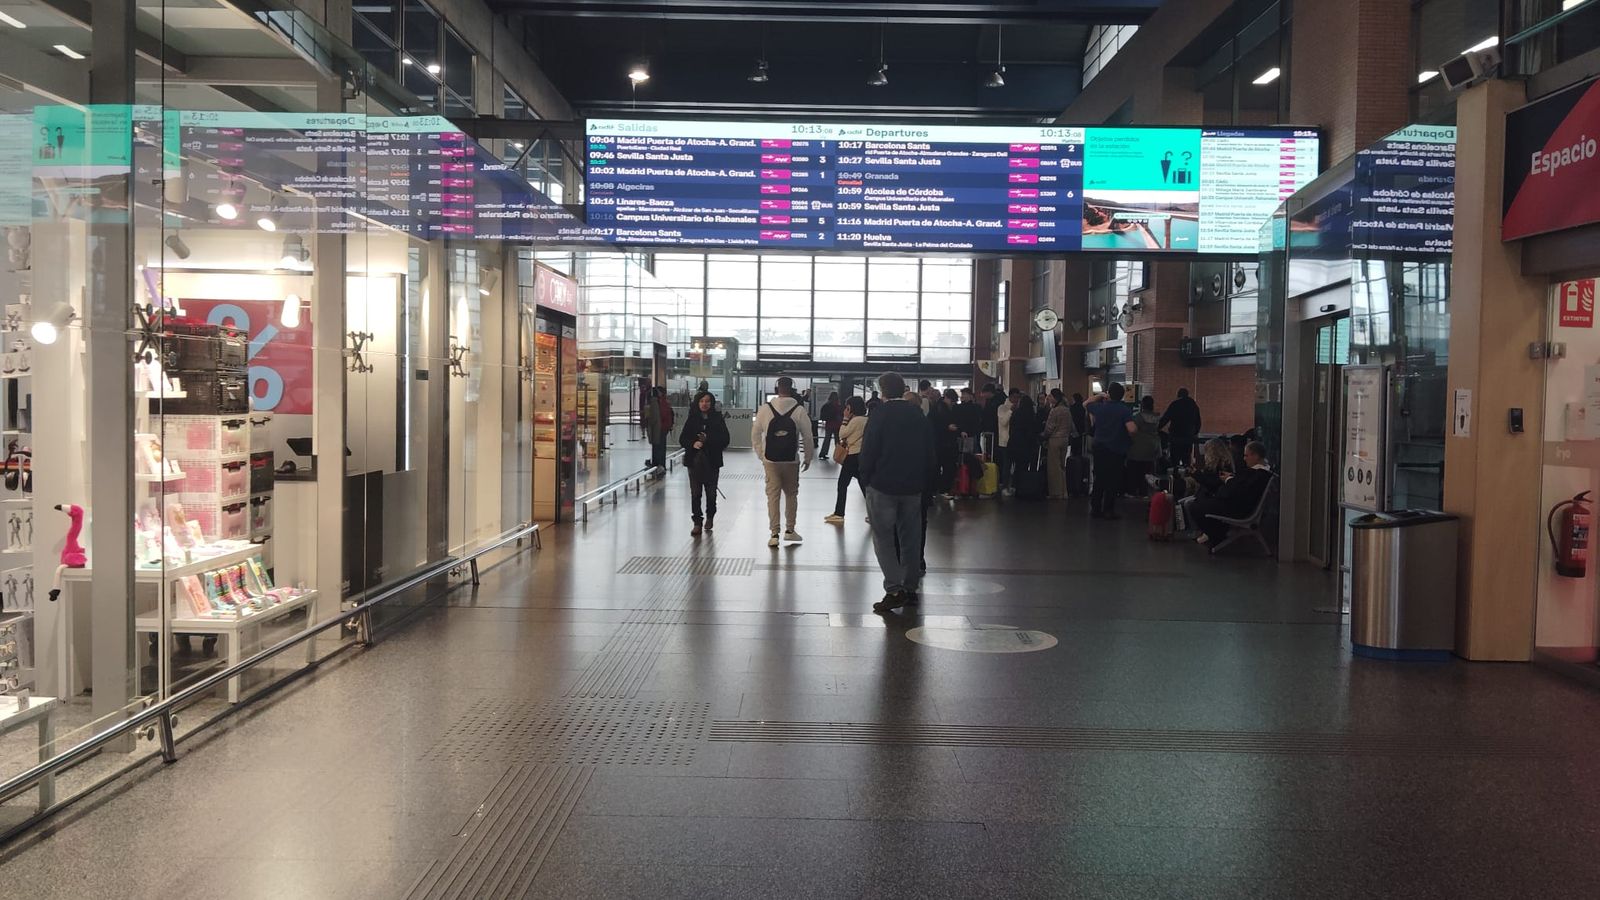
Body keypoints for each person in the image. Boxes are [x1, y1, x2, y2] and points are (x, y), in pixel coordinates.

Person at [860, 372, 937, 613]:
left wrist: (867, 481)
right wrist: (928, 485)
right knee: (910, 539)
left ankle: (894, 589)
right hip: (913, 486)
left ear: (882, 390)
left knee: (883, 538)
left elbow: (869, 450)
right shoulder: (918, 414)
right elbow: (929, 451)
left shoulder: (880, 414)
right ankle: (911, 587)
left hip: (883, 485)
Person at [752, 376, 815, 547]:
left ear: (776, 388)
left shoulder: (765, 409)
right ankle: (790, 530)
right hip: (791, 460)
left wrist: (761, 453)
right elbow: (808, 437)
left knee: (773, 496)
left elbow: (755, 433)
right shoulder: (799, 410)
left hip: (770, 460)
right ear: (792, 389)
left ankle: (774, 533)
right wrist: (808, 458)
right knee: (791, 495)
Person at [1189, 440, 1273, 546]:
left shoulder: (1257, 473)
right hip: (1235, 505)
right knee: (1199, 503)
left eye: (1246, 455)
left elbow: (1240, 491)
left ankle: (1217, 535)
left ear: (1255, 456)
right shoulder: (1260, 473)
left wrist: (1229, 479)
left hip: (1236, 508)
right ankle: (1216, 534)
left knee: (1195, 507)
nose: (1244, 459)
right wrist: (1231, 478)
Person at [680, 391, 729, 537]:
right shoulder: (692, 419)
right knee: (696, 493)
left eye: (707, 401)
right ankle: (697, 522)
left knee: (711, 493)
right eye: (701, 401)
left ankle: (710, 516)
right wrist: (692, 443)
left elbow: (725, 440)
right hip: (694, 462)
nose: (704, 404)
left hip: (712, 462)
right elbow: (683, 439)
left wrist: (709, 440)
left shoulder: (717, 419)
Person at [1086, 383, 1137, 519]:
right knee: (1112, 480)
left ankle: (1095, 509)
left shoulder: (1100, 408)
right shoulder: (1124, 410)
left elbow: (1086, 403)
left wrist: (1099, 396)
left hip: (1099, 448)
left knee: (1099, 478)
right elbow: (1131, 429)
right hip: (1116, 449)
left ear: (1109, 394)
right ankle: (1108, 510)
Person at [825, 396, 869, 524]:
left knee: (842, 484)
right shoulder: (867, 419)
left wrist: (845, 419)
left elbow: (842, 434)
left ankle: (839, 513)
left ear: (851, 408)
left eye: (847, 407)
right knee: (863, 484)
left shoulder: (855, 421)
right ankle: (873, 513)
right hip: (861, 455)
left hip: (852, 455)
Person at [1043, 389, 1078, 499]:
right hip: (1065, 440)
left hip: (1055, 440)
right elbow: (1072, 426)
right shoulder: (1067, 410)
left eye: (1050, 396)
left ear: (1054, 397)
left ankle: (1056, 493)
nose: (1048, 397)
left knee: (1054, 467)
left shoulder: (1055, 410)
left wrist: (1044, 436)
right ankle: (1064, 492)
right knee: (1062, 466)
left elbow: (1049, 428)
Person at [1126, 395, 1163, 497]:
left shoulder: (1138, 417)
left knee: (1134, 471)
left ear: (1142, 405)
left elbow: (1131, 430)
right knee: (1148, 473)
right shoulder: (1157, 417)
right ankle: (1145, 492)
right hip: (1153, 447)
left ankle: (1132, 491)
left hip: (1137, 448)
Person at [1160, 387, 1203, 469]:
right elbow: (1198, 422)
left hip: (1176, 437)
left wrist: (1157, 429)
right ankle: (1186, 477)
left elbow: (1165, 418)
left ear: (1178, 395)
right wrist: (1194, 433)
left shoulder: (1175, 404)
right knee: (1186, 460)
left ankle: (1175, 477)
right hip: (1188, 437)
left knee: (1174, 461)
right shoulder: (1194, 406)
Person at [1006, 390, 1039, 493]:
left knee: (1014, 466)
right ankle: (1022, 486)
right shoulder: (1032, 415)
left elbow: (1011, 427)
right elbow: (1033, 430)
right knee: (1023, 466)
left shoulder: (1016, 413)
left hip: (1015, 443)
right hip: (1027, 444)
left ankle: (1014, 486)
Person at [641, 385, 673, 469]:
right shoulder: (664, 401)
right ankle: (659, 464)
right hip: (663, 427)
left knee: (658, 446)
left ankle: (658, 464)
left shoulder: (656, 401)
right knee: (660, 446)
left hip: (659, 427)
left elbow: (656, 417)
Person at [995, 388, 1013, 491]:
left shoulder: (1020, 407)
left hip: (1015, 440)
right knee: (1006, 464)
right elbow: (1003, 422)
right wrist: (1010, 411)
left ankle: (1012, 485)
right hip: (1005, 441)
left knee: (1011, 464)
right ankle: (1005, 485)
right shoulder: (1002, 408)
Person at [818, 391, 843, 459]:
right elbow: (841, 414)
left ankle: (823, 453)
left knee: (827, 439)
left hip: (829, 424)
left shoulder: (827, 404)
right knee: (837, 440)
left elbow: (823, 414)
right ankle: (838, 455)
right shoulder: (838, 405)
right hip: (837, 424)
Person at [1068, 393, 1089, 457]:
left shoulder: (1071, 408)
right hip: (1081, 430)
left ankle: (1073, 462)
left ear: (1074, 399)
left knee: (1073, 449)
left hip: (1074, 430)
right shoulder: (1083, 408)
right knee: (1080, 449)